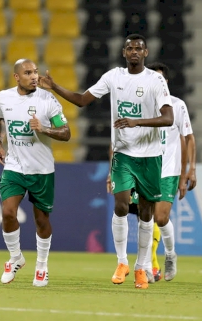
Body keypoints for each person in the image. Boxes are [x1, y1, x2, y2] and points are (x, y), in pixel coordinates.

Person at [39, 34, 173, 289]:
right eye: (130, 48)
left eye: (139, 49)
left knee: (146, 213)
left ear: (146, 53)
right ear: (124, 52)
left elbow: (168, 118)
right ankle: (122, 262)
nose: (134, 52)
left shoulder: (155, 80)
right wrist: (54, 87)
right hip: (123, 154)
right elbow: (81, 100)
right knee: (122, 205)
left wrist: (136, 122)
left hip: (150, 156)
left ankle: (141, 267)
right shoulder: (114, 76)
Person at [0, 59, 71, 287]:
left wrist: (44, 128)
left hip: (42, 169)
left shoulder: (47, 100)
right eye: (28, 73)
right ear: (16, 76)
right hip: (14, 166)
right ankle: (16, 257)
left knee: (41, 221)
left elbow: (66, 133)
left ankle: (42, 265)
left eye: (36, 72)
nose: (34, 76)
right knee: (8, 212)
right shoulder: (3, 97)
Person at [135, 62, 195, 283]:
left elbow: (188, 138)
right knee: (145, 218)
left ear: (166, 82)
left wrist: (189, 172)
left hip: (169, 169)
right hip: (145, 168)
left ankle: (170, 254)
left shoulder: (177, 106)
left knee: (161, 218)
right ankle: (147, 266)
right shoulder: (140, 105)